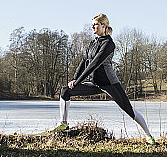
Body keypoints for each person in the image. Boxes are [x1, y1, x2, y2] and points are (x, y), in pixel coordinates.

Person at [55, 14, 156, 144]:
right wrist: (74, 79)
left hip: (110, 84)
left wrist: (79, 81)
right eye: (92, 24)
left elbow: (94, 63)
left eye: (96, 24)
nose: (92, 26)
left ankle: (149, 136)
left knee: (130, 111)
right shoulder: (93, 43)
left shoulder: (109, 44)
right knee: (65, 91)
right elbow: (84, 61)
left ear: (104, 26)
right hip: (94, 83)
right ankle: (63, 124)